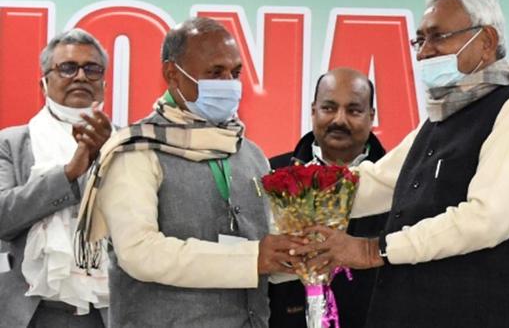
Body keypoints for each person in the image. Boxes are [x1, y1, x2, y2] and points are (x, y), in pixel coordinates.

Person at [294, 0, 509, 327]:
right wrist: (289, 199)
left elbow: (486, 220)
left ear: (486, 41)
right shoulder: (440, 117)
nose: (424, 52)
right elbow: (377, 182)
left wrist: (373, 250)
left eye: (438, 37)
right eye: (420, 40)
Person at [75, 17, 302, 328]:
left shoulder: (250, 153)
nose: (229, 84)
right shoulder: (136, 149)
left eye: (235, 73)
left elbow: (265, 255)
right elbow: (140, 252)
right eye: (215, 73)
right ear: (172, 74)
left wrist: (299, 255)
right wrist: (252, 258)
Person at [0, 29, 111, 328]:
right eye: (67, 67)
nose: (80, 77)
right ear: (44, 83)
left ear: (103, 83)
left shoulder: (126, 143)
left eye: (92, 69)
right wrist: (69, 174)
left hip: (106, 311)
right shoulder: (11, 143)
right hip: (30, 312)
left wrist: (104, 158)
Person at [268, 67, 387, 328]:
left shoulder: (398, 182)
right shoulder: (272, 175)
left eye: (354, 110)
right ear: (313, 111)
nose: (339, 120)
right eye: (329, 108)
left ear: (371, 116)